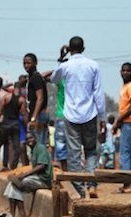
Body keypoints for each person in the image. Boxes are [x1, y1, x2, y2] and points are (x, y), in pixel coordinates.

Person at [49, 37, 106, 198]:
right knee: (91, 151)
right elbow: (98, 94)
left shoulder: (66, 66)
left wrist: (60, 58)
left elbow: (54, 79)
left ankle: (80, 189)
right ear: (84, 48)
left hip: (71, 115)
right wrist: (102, 118)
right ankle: (92, 185)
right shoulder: (93, 65)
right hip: (90, 114)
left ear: (70, 49)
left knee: (73, 153)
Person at [3, 131, 52, 217]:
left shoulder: (40, 148)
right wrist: (23, 149)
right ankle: (12, 214)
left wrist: (25, 174)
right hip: (37, 177)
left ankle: (21, 214)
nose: (29, 140)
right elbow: (26, 164)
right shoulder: (32, 150)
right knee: (13, 184)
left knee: (16, 184)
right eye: (27, 139)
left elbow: (42, 166)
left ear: (35, 138)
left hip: (43, 180)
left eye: (31, 138)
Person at [111, 62, 131, 193]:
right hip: (128, 123)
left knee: (124, 154)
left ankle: (127, 184)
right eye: (123, 71)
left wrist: (120, 119)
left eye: (128, 71)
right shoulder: (125, 86)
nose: (125, 73)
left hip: (130, 123)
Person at [23, 53, 49, 147]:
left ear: (35, 63)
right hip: (37, 114)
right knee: (36, 143)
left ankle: (41, 162)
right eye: (25, 63)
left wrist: (34, 118)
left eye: (29, 63)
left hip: (39, 115)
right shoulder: (31, 78)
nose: (26, 65)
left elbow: (40, 98)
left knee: (40, 144)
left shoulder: (36, 78)